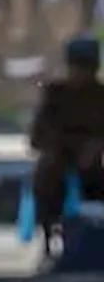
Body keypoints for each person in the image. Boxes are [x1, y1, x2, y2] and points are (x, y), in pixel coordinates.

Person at [30, 35, 104, 256]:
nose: (82, 75)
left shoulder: (100, 96)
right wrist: (57, 148)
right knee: (46, 177)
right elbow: (38, 136)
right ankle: (47, 235)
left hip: (94, 159)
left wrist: (96, 147)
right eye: (78, 67)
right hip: (59, 157)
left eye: (87, 68)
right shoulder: (56, 94)